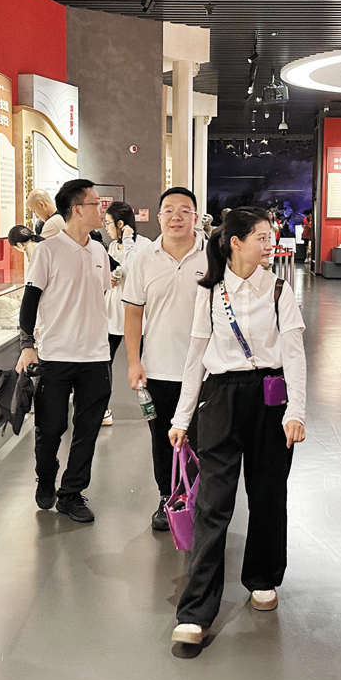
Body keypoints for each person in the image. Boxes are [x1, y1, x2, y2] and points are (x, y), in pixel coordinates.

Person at [167, 208, 307, 650]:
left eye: (270, 237)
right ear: (236, 242)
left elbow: (294, 353)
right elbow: (195, 358)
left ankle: (262, 577)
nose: (269, 245)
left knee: (268, 493)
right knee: (213, 503)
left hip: (270, 399)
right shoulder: (210, 293)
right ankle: (196, 610)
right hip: (220, 399)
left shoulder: (279, 289)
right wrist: (181, 418)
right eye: (262, 237)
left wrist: (297, 411)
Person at [16, 178, 112, 524]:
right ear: (77, 209)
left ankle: (71, 493)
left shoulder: (99, 251)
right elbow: (29, 302)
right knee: (51, 427)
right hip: (55, 356)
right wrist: (27, 345)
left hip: (96, 357)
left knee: (87, 430)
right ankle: (46, 475)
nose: (101, 209)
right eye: (95, 203)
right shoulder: (48, 250)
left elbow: (101, 295)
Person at [123, 187, 209, 531]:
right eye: (169, 210)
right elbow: (133, 314)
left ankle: (199, 498)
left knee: (203, 440)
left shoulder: (212, 256)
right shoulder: (144, 259)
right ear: (159, 217)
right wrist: (133, 362)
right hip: (157, 368)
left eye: (185, 210)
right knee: (162, 438)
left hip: (205, 370)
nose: (176, 217)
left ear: (195, 217)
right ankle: (167, 497)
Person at [99, 201, 140, 426]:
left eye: (108, 223)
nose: (106, 228)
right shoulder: (113, 246)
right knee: (105, 360)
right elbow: (113, 271)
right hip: (112, 311)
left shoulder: (142, 245)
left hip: (135, 312)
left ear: (121, 224)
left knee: (145, 360)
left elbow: (131, 270)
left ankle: (155, 405)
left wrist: (129, 240)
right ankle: (102, 408)